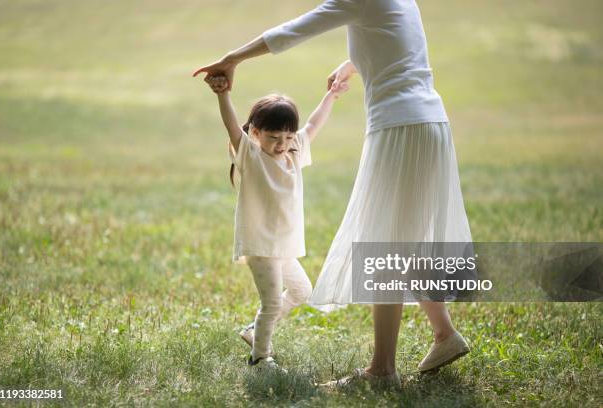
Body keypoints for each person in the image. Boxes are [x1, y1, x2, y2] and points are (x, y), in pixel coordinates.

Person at [195, 0, 471, 386]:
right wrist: (353, 64)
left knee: (387, 243)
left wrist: (232, 58)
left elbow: (292, 31)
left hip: (399, 126)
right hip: (431, 122)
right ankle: (444, 334)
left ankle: (382, 371)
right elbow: (398, 41)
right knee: (407, 236)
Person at [202, 74, 350, 370]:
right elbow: (232, 127)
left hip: (282, 246)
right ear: (256, 133)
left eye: (287, 137)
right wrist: (223, 95)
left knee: (302, 291)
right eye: (274, 137)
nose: (282, 144)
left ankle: (254, 332)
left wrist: (331, 96)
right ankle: (260, 358)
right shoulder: (251, 157)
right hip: (260, 246)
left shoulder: (294, 152)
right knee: (270, 304)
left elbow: (313, 124)